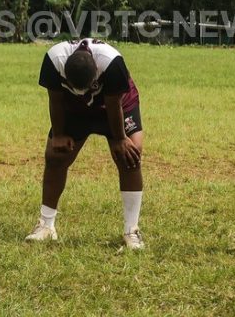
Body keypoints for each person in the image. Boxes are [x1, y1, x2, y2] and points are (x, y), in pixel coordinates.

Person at [25, 38, 146, 249]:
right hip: (75, 108)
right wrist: (59, 135)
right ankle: (46, 225)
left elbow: (113, 104)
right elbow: (55, 100)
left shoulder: (112, 63)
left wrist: (120, 139)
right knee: (55, 157)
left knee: (130, 156)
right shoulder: (54, 60)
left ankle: (131, 230)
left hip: (115, 105)